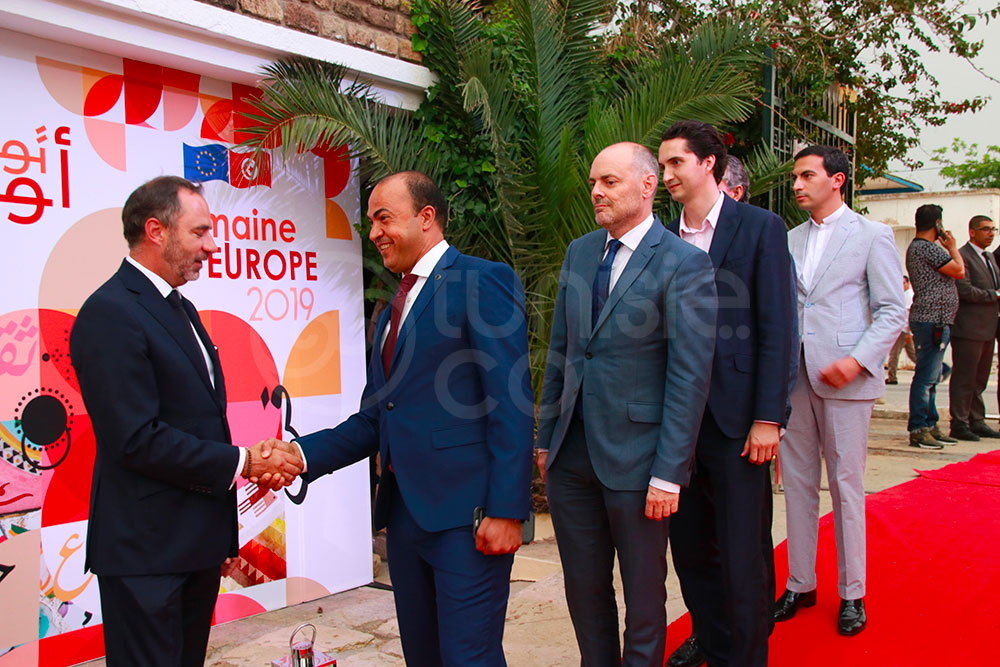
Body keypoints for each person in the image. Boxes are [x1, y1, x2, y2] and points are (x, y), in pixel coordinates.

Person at [261, 171, 534, 666]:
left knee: (469, 658)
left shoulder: (483, 280)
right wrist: (300, 454)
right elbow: (375, 418)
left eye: (383, 218)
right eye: (371, 222)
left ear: (426, 217)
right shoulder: (391, 313)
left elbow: (511, 403)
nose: (374, 232)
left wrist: (508, 510)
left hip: (467, 522)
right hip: (406, 521)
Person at [70, 176, 303, 666]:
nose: (211, 246)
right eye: (199, 232)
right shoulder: (109, 313)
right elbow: (135, 438)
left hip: (193, 546)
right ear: (156, 230)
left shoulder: (182, 309)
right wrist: (245, 461)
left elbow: (195, 420)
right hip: (147, 555)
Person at [535, 142, 718, 666]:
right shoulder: (580, 252)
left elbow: (689, 377)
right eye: (593, 182)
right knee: (584, 588)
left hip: (640, 462)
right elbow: (563, 353)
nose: (596, 191)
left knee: (643, 596)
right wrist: (547, 438)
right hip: (572, 457)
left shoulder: (685, 263)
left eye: (609, 182)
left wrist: (669, 472)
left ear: (647, 185)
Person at [658, 122, 793, 667]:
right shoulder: (661, 238)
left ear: (708, 164)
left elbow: (777, 328)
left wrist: (769, 418)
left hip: (739, 424)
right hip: (677, 428)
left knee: (742, 554)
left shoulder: (761, 228)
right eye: (662, 165)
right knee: (690, 552)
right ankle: (711, 646)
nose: (665, 175)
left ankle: (747, 655)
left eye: (675, 164)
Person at [777, 146, 906, 636]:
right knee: (797, 485)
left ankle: (853, 593)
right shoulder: (788, 239)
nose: (796, 184)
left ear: (838, 180)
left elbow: (893, 310)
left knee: (846, 487)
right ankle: (799, 583)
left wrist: (856, 362)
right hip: (795, 379)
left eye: (806, 175)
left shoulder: (873, 235)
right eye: (794, 176)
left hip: (847, 377)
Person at [905, 204, 965, 446]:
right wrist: (952, 247)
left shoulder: (919, 248)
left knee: (931, 374)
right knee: (927, 376)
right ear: (937, 224)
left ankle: (930, 423)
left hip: (934, 318)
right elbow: (959, 270)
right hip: (932, 318)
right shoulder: (927, 248)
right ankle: (919, 427)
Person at [950, 215, 1000, 440]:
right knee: (964, 377)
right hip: (969, 328)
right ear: (972, 232)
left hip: (988, 327)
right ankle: (959, 423)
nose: (990, 233)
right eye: (986, 229)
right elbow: (965, 290)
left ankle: (976, 420)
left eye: (993, 229)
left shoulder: (988, 257)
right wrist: (994, 295)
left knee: (980, 378)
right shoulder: (963, 256)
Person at [885, 275, 916, 384]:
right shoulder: (902, 295)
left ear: (908, 283)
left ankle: (892, 377)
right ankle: (938, 369)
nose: (901, 286)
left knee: (894, 354)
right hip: (901, 329)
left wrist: (908, 331)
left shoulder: (909, 295)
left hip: (903, 330)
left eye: (903, 283)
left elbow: (908, 314)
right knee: (913, 354)